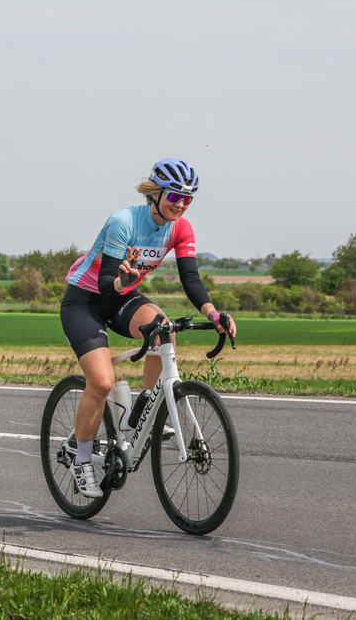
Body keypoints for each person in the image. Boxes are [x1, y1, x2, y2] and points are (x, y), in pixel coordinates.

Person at [60, 158, 237, 497]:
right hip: (86, 301)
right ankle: (80, 459)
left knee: (164, 328)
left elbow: (190, 278)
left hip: (124, 297)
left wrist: (215, 314)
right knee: (101, 382)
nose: (182, 205)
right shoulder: (123, 222)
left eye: (189, 199)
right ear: (156, 194)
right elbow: (107, 280)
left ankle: (143, 406)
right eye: (175, 197)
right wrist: (121, 282)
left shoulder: (180, 228)